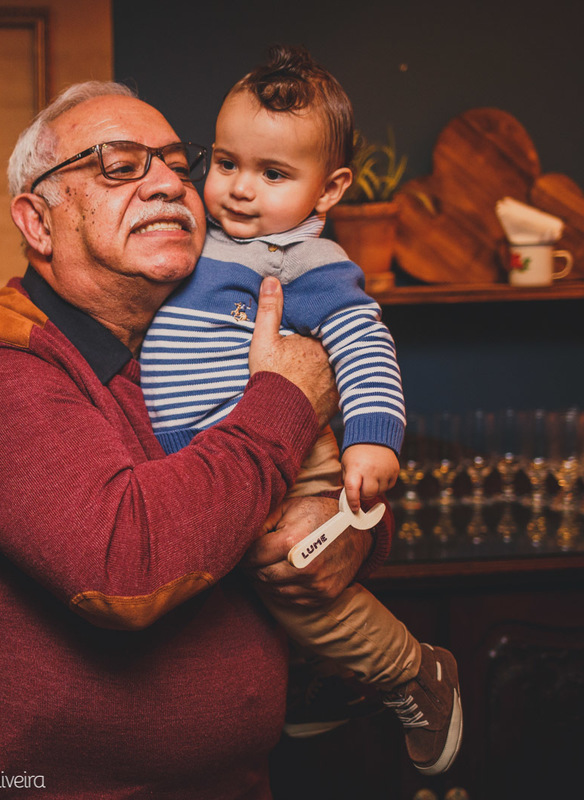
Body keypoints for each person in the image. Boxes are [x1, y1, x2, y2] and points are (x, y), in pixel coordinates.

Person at [0, 80, 387, 798]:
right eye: (118, 166)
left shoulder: (207, 344)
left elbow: (346, 484)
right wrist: (285, 400)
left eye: (174, 163)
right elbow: (125, 569)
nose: (168, 183)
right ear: (37, 222)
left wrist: (349, 535)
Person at [141, 45, 460, 775]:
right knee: (234, 596)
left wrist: (373, 442)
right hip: (218, 458)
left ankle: (409, 671)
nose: (240, 190)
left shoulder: (301, 262)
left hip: (285, 461)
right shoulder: (205, 241)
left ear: (329, 189)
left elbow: (362, 342)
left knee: (290, 580)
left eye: (273, 174)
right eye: (226, 163)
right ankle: (318, 679)